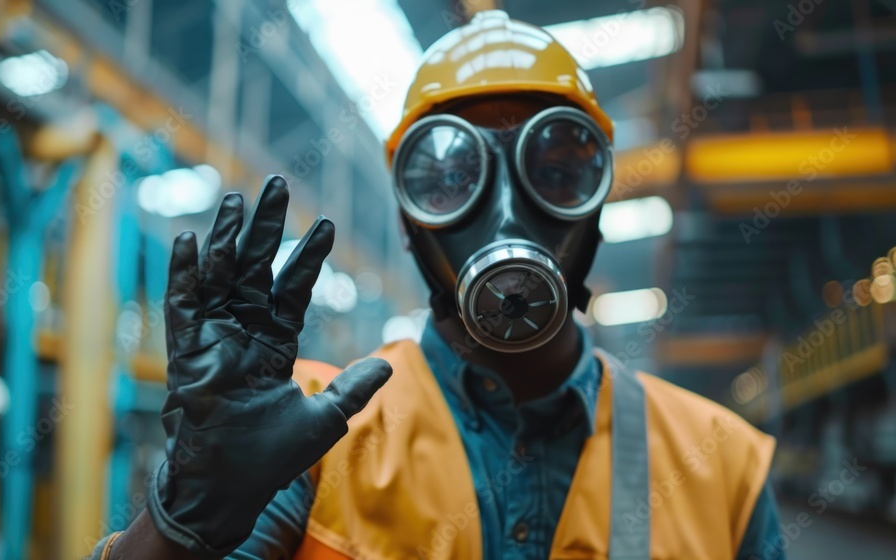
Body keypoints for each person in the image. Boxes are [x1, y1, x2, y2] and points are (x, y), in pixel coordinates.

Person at [92, 11, 781, 560]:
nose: (507, 210)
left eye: (556, 167)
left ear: (595, 201)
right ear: (408, 218)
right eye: (452, 177)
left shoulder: (721, 465)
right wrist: (186, 520)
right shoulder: (309, 439)